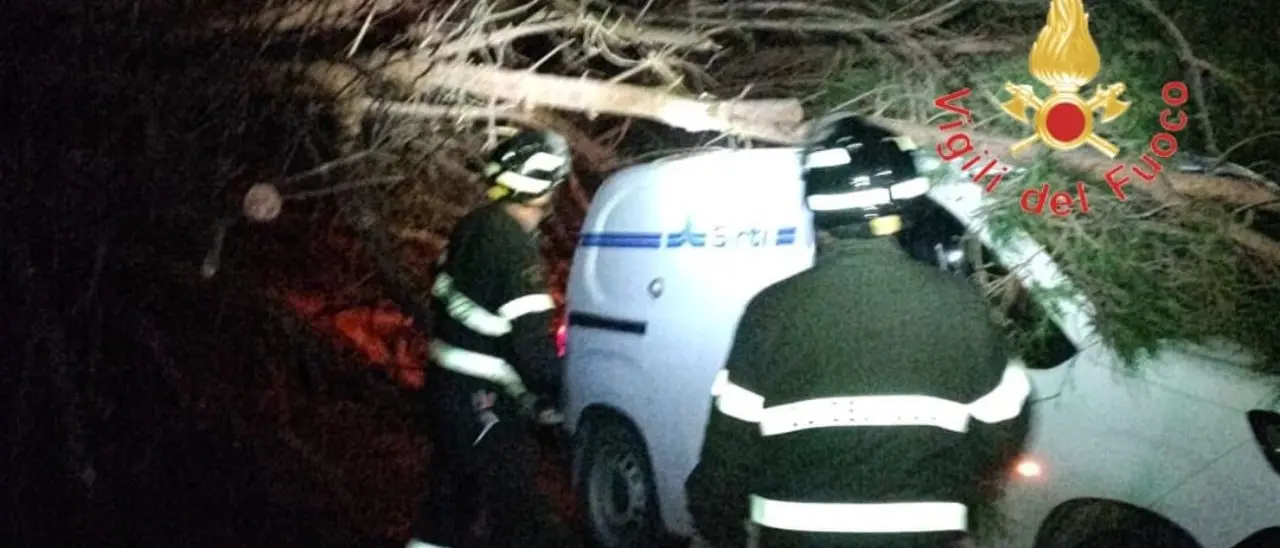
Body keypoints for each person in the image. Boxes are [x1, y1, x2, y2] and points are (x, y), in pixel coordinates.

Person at [684, 113, 1032, 548]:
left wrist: (719, 526)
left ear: (817, 210)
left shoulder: (769, 313)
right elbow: (1003, 436)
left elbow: (726, 456)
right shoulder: (964, 305)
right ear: (906, 208)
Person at [408, 129, 577, 548]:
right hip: (481, 403)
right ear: (546, 188)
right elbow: (533, 353)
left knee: (447, 509)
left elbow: (454, 303)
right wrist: (566, 393)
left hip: (444, 391)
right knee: (524, 515)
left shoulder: (472, 226)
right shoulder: (516, 250)